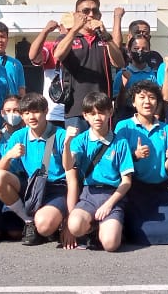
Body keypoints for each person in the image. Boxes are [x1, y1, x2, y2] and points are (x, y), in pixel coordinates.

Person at [0, 93, 75, 247]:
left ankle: (54, 221)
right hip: (32, 186)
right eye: (26, 113)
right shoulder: (19, 136)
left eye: (36, 112)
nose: (31, 117)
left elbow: (72, 179)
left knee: (44, 226)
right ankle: (29, 222)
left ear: (46, 111)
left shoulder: (61, 135)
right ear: (22, 116)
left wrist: (70, 221)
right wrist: (8, 156)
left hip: (56, 188)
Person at [42, 0, 126, 135]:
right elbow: (58, 55)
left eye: (95, 11)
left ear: (99, 15)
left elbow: (119, 62)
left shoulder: (104, 39)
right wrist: (75, 28)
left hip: (102, 109)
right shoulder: (67, 37)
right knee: (76, 148)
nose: (91, 15)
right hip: (76, 110)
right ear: (76, 15)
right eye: (86, 11)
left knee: (103, 147)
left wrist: (106, 36)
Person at [63, 93, 134, 252]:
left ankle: (111, 228)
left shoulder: (120, 142)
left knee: (110, 244)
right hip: (89, 194)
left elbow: (126, 181)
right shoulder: (80, 140)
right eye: (92, 113)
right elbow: (68, 166)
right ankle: (93, 229)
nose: (97, 118)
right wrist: (67, 143)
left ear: (110, 112)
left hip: (112, 195)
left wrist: (109, 205)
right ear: (85, 116)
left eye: (101, 112)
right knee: (74, 226)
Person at [115, 81, 168, 245]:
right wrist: (135, 155)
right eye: (142, 97)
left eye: (152, 97)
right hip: (134, 190)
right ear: (133, 102)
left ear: (157, 102)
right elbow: (116, 162)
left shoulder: (167, 129)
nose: (147, 102)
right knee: (140, 236)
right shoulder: (123, 127)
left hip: (160, 190)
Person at [0, 95, 26, 241]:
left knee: (15, 233)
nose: (12, 114)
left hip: (20, 187)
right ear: (2, 113)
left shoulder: (28, 134)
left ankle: (25, 219)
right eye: (8, 111)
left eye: (16, 110)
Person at [28, 20, 71, 128]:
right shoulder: (50, 47)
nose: (71, 31)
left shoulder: (83, 47)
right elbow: (33, 56)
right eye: (68, 28)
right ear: (60, 28)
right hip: (53, 114)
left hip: (78, 114)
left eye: (73, 28)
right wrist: (45, 31)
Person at [113, 34, 158, 122]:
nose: (140, 51)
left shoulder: (153, 74)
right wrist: (123, 86)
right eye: (136, 48)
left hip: (148, 117)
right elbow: (117, 105)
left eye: (144, 48)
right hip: (126, 117)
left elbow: (158, 99)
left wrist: (156, 115)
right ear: (129, 51)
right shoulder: (121, 74)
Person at [0, 21, 27, 96]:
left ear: (7, 39)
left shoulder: (16, 63)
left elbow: (21, 90)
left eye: (2, 37)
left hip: (12, 102)